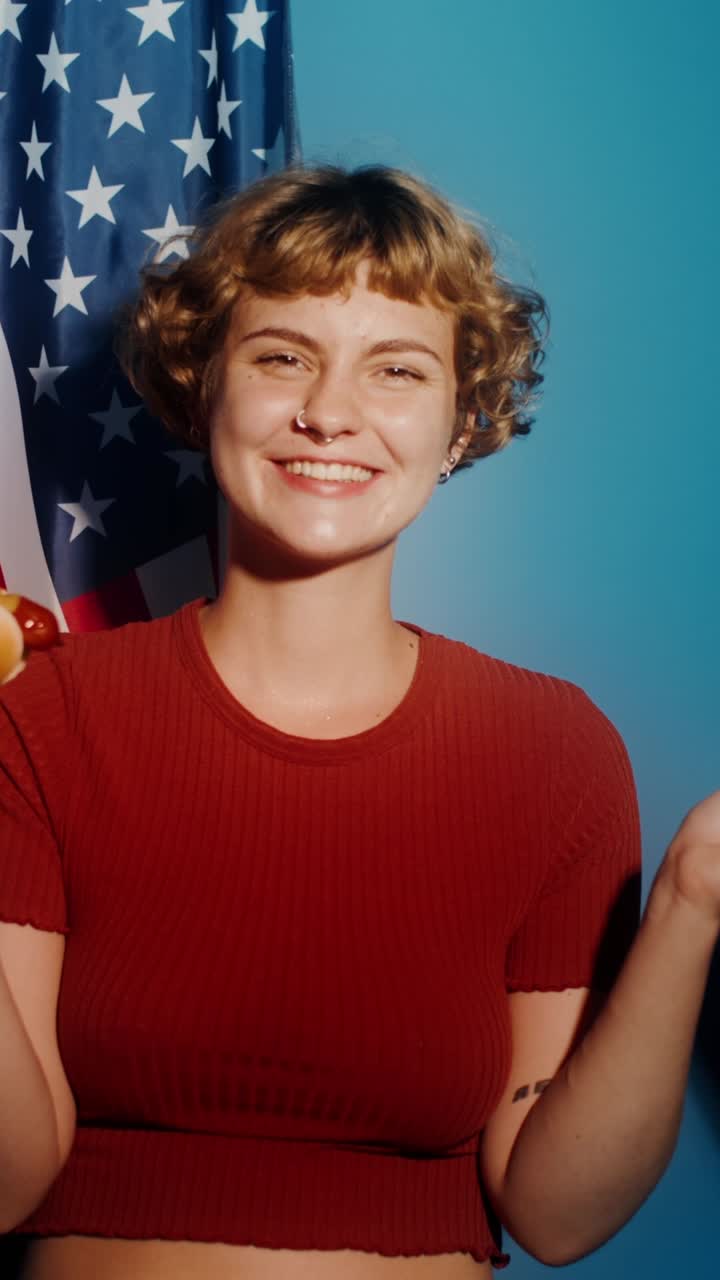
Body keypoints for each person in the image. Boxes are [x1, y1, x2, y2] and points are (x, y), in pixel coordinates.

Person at [0, 165, 718, 1280]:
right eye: (283, 354)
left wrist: (690, 902)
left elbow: (561, 1213)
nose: (330, 410)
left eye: (398, 367)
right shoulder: (47, 721)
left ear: (461, 417)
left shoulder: (558, 753)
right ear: (205, 384)